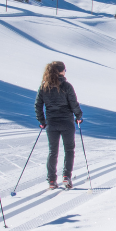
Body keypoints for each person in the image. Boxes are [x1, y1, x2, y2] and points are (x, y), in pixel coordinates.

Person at [34, 61, 83, 190]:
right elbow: (73, 103)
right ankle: (66, 176)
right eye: (65, 70)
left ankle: (51, 180)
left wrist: (42, 121)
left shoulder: (44, 87)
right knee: (69, 150)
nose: (65, 72)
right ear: (60, 71)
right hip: (67, 122)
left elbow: (38, 105)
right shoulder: (67, 86)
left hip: (51, 123)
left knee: (53, 151)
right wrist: (79, 116)